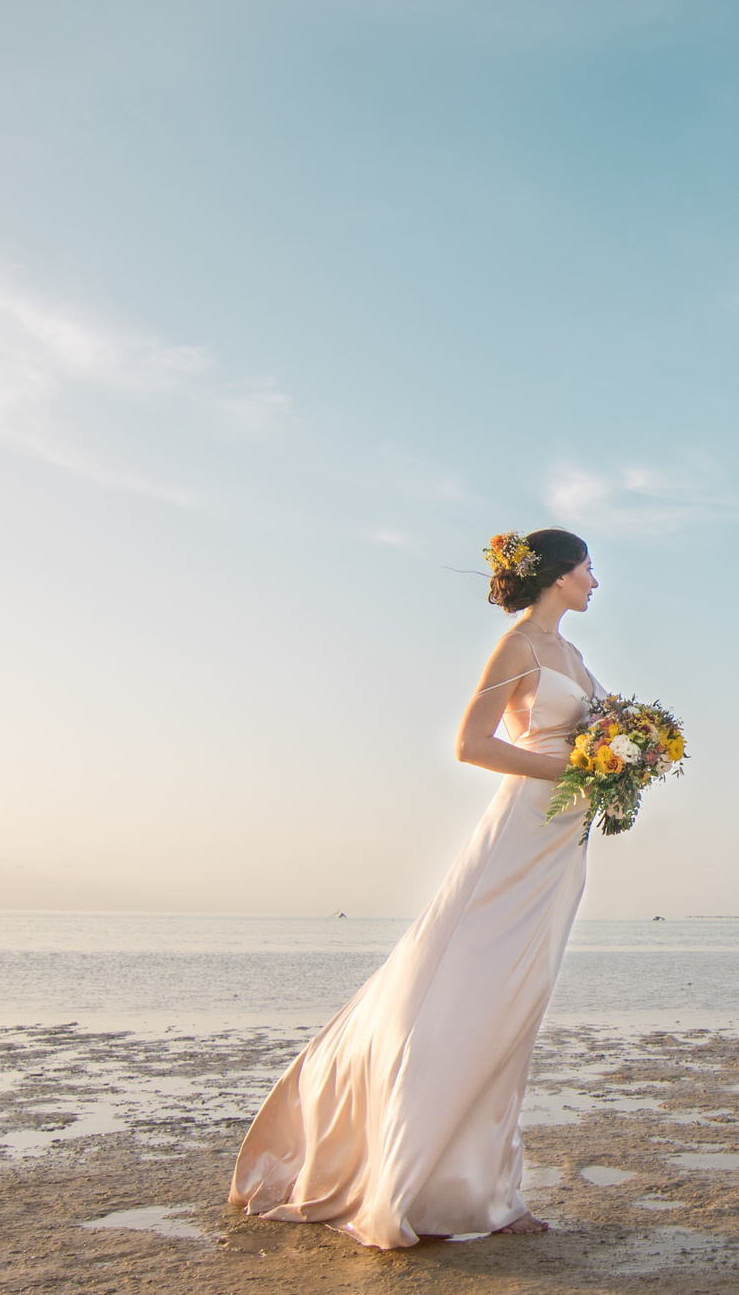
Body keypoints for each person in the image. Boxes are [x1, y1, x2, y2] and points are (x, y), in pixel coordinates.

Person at [229, 528, 602, 1248]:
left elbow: (591, 734)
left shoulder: (577, 655)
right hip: (521, 833)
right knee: (468, 997)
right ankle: (417, 1173)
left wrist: (620, 764)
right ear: (556, 576)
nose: (595, 580)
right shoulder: (519, 645)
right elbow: (471, 742)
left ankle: (489, 1189)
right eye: (587, 568)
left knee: (516, 1008)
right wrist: (572, 772)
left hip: (562, 844)